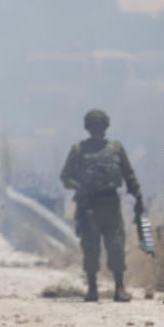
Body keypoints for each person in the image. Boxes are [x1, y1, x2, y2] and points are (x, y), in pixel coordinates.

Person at [60, 109, 143, 302]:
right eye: (93, 126)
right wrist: (77, 186)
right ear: (88, 128)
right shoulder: (78, 150)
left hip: (111, 204)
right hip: (88, 206)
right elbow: (65, 176)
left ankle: (119, 288)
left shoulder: (115, 148)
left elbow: (128, 175)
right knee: (90, 248)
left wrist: (138, 195)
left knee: (116, 247)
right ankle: (92, 289)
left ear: (106, 127)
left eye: (100, 126)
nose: (97, 130)